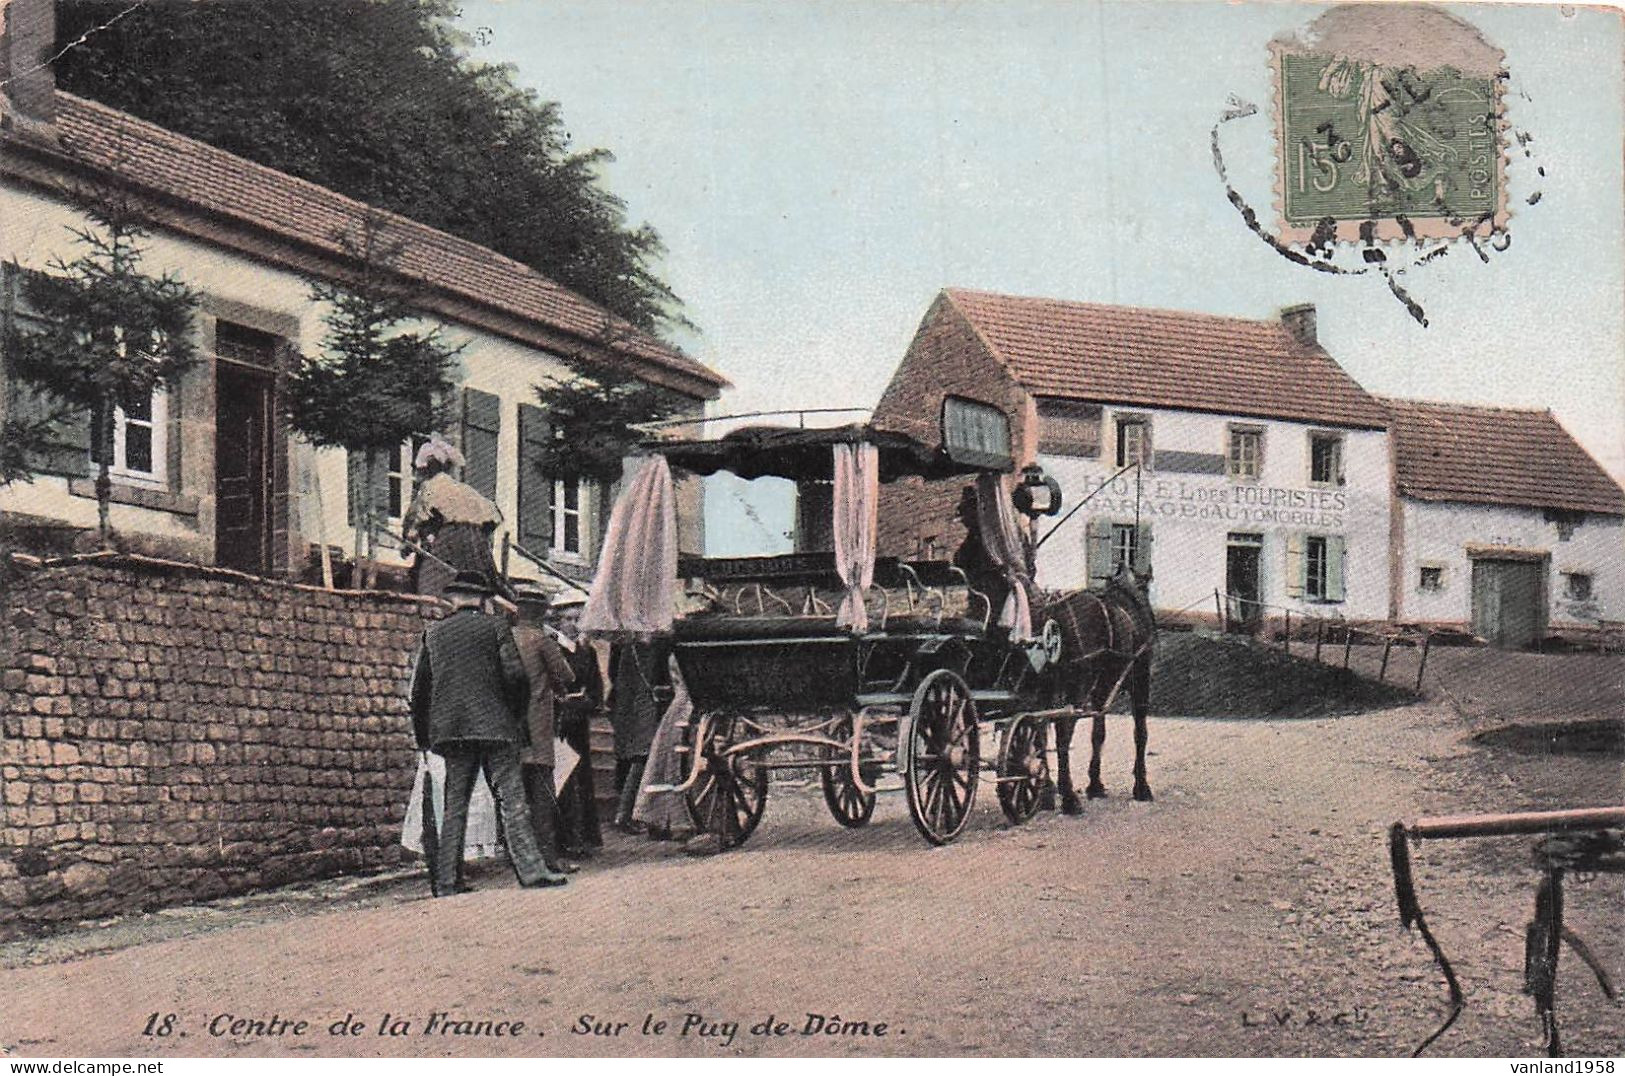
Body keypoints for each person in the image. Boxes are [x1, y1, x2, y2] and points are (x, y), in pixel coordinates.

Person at [409, 572, 566, 895]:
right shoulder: (496, 628)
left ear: (452, 599)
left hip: (452, 731)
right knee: (512, 800)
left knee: (455, 805)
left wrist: (423, 736)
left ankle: (447, 881)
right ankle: (532, 872)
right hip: (496, 726)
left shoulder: (434, 633)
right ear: (483, 600)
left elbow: (420, 690)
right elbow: (515, 677)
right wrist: (517, 717)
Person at [509, 582, 580, 875]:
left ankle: (518, 857)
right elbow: (568, 675)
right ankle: (548, 857)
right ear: (540, 613)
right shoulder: (542, 640)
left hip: (509, 728)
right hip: (537, 727)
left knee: (513, 794)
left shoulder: (505, 639)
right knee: (543, 795)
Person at [402, 438, 506, 599]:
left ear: (429, 468)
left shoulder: (429, 487)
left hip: (450, 539)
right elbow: (494, 516)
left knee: (433, 580)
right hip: (477, 544)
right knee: (479, 581)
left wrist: (407, 545)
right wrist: (481, 538)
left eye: (421, 470)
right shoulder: (465, 490)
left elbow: (417, 519)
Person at [549, 591, 604, 858]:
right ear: (558, 621)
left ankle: (582, 838)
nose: (573, 624)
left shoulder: (587, 652)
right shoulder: (552, 648)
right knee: (562, 781)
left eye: (577, 618)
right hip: (557, 723)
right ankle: (562, 839)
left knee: (581, 779)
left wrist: (588, 702)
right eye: (568, 619)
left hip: (578, 723)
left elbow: (596, 689)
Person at [609, 638, 668, 833]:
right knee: (645, 755)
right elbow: (660, 675)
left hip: (628, 701)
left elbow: (612, 672)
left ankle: (630, 814)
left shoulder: (623, 642)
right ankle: (630, 814)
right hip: (645, 703)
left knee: (639, 755)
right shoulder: (652, 643)